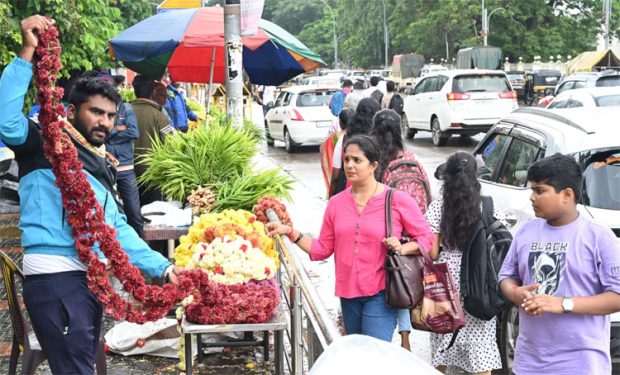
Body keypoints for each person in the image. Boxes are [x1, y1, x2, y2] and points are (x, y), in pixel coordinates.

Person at [0, 15, 179, 374]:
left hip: (85, 278)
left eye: (111, 115)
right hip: (57, 278)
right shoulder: (44, 143)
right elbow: (5, 120)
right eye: (96, 112)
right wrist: (27, 52)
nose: (105, 122)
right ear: (71, 111)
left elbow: (115, 229)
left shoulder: (98, 161)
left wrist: (162, 267)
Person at [266, 135, 434, 342]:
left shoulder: (397, 200)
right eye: (346, 160)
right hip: (348, 294)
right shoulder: (336, 204)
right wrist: (290, 232)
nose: (349, 165)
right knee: (355, 355)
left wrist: (403, 248)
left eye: (357, 160)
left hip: (381, 292)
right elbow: (322, 249)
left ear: (373, 165)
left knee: (373, 354)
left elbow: (427, 238)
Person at [498, 153, 620, 375]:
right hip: (529, 363)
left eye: (540, 191)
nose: (532, 198)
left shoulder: (598, 236)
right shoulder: (526, 231)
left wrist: (563, 304)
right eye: (532, 190)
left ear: (566, 195)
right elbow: (505, 277)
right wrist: (516, 293)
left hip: (581, 363)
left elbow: (617, 297)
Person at [425, 152, 504, 374]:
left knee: (443, 341)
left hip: (445, 281)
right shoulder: (486, 206)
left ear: (447, 177)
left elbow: (431, 252)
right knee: (481, 348)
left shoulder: (438, 207)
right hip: (478, 277)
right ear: (475, 175)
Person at [371, 109, 432, 350]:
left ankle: (400, 335)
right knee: (406, 281)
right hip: (415, 236)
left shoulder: (378, 165)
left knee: (393, 283)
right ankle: (406, 336)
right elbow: (427, 194)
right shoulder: (412, 160)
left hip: (391, 238)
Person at [105, 76, 143, 237]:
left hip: (126, 168)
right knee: (109, 213)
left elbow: (134, 132)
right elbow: (99, 133)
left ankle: (140, 247)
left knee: (134, 212)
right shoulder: (103, 111)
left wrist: (110, 132)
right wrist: (117, 130)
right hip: (107, 167)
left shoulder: (126, 108)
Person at [132, 75, 175, 207]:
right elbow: (170, 145)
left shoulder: (122, 111)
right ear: (152, 92)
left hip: (127, 174)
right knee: (152, 214)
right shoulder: (159, 116)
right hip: (152, 175)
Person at [329, 98, 381, 197]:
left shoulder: (344, 139)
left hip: (349, 191)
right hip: (375, 192)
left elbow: (335, 173)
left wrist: (331, 195)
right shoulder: (381, 140)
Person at [320, 108, 353, 196]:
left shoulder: (336, 138)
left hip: (341, 181)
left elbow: (323, 149)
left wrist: (331, 193)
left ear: (340, 123)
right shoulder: (360, 136)